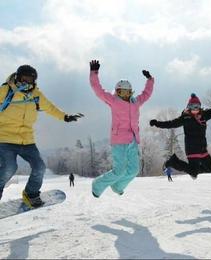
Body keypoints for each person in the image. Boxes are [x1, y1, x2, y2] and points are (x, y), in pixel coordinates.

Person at [0, 65, 83, 208]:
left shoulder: (35, 95)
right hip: (5, 138)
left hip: (27, 140)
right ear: (18, 77)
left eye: (30, 79)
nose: (27, 82)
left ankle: (31, 193)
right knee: (9, 167)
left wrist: (65, 117)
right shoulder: (5, 90)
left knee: (40, 167)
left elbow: (50, 107)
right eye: (24, 78)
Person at [89, 60, 154, 198]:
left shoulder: (136, 102)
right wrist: (94, 73)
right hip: (119, 141)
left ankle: (118, 186)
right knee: (119, 171)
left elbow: (146, 94)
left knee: (134, 170)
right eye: (122, 92)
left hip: (133, 141)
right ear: (117, 91)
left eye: (127, 92)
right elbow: (98, 90)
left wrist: (150, 79)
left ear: (131, 92)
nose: (125, 94)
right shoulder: (113, 101)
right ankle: (97, 185)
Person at [149, 90, 211, 180]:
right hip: (192, 150)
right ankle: (172, 162)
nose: (195, 109)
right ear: (189, 107)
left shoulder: (204, 115)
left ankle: (193, 171)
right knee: (193, 172)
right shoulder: (186, 118)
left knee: (210, 168)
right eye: (193, 107)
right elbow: (171, 124)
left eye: (197, 106)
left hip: (202, 149)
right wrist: (157, 123)